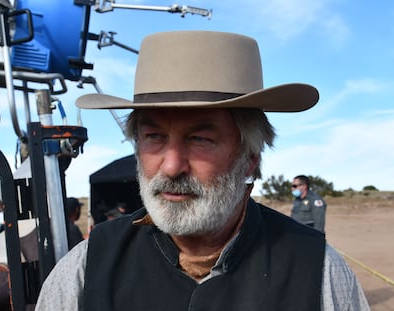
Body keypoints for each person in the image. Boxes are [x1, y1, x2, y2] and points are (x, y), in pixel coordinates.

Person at [35, 31, 369, 310]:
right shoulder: (86, 268)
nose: (171, 166)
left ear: (249, 156)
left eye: (200, 139)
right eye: (153, 136)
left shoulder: (317, 270)